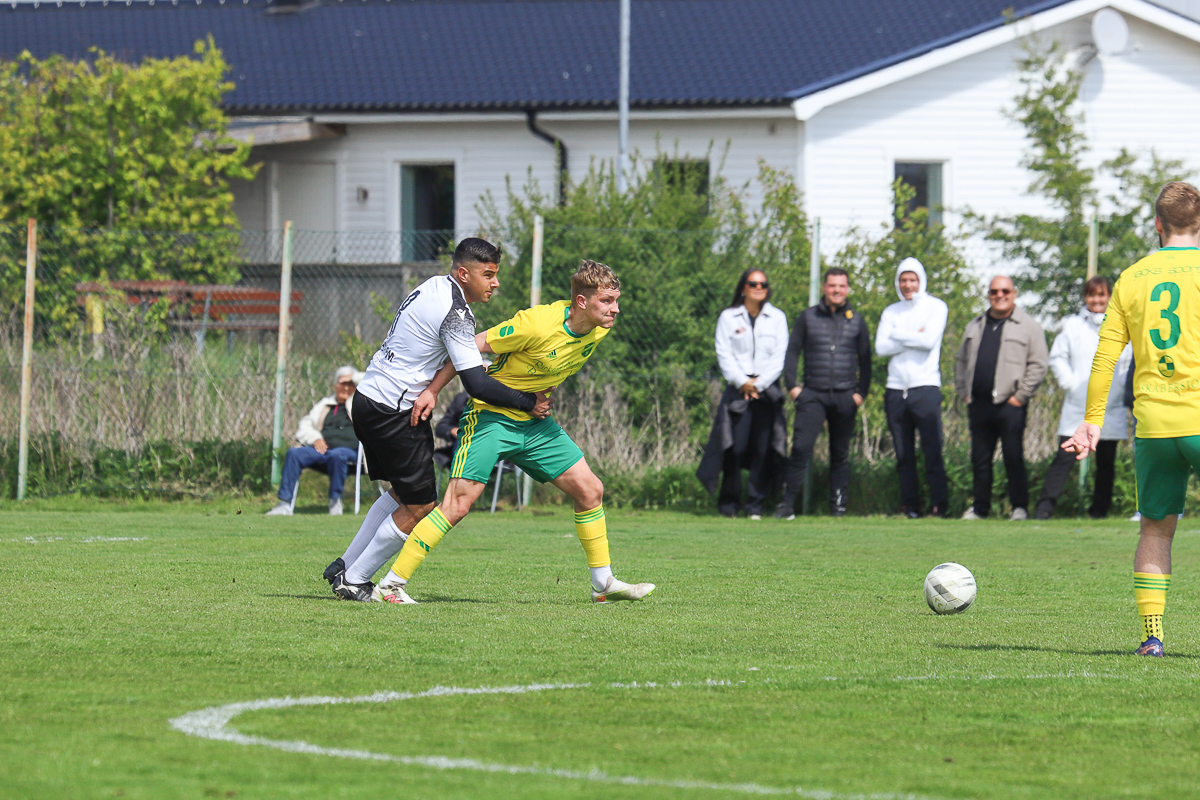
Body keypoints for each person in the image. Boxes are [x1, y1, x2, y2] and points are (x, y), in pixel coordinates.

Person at [371, 259, 655, 604]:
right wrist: (432, 390)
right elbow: (468, 345)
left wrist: (538, 394)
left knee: (590, 489)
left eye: (616, 300)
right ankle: (390, 586)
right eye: (607, 301)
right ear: (582, 301)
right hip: (491, 418)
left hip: (534, 424)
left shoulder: (599, 327)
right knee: (457, 505)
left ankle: (603, 584)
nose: (616, 309)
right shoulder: (536, 324)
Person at [322, 237, 551, 602]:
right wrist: (528, 402)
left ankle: (345, 565)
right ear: (464, 274)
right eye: (488, 274)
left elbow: (446, 353)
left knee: (402, 494)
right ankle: (355, 579)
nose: (495, 283)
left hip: (369, 399)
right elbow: (477, 384)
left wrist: (431, 389)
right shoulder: (456, 313)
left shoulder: (433, 286)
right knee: (421, 505)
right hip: (394, 412)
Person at [1063, 181, 1200, 657]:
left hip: (1154, 426)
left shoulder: (1132, 278)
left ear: (1157, 224)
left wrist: (1092, 421)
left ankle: (1152, 637)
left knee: (1156, 529)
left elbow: (1105, 358)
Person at [775, 267, 871, 518]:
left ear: (847, 289)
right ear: (824, 287)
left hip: (845, 396)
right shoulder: (807, 317)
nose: (836, 290)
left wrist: (860, 394)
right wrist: (793, 387)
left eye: (841, 286)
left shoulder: (857, 320)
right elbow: (792, 351)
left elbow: (866, 360)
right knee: (800, 449)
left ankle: (838, 508)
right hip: (812, 395)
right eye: (832, 285)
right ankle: (787, 505)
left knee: (840, 455)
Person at [1034, 277, 1131, 520]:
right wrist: (1071, 384)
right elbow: (1058, 357)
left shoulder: (1122, 324)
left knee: (1106, 461)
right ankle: (1044, 509)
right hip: (1078, 406)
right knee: (1064, 457)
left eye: (1101, 295)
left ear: (1110, 297)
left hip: (1111, 405)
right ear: (1085, 297)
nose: (1097, 300)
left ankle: (1099, 511)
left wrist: (1120, 388)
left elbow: (1128, 361)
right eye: (1092, 295)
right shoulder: (1072, 325)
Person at [696, 268, 789, 519]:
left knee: (763, 449)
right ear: (743, 287)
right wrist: (743, 382)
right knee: (734, 448)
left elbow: (779, 357)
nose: (759, 288)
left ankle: (755, 505)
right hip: (738, 391)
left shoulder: (777, 317)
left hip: (767, 391)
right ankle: (729, 505)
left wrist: (759, 384)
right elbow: (723, 352)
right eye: (753, 283)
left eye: (763, 284)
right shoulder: (729, 317)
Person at [955, 275, 1048, 520]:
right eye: (994, 291)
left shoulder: (1029, 326)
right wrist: (964, 392)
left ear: (1014, 293)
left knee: (1013, 457)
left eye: (1005, 291)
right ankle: (980, 508)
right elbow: (961, 360)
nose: (1000, 295)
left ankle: (1019, 508)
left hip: (1010, 405)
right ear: (988, 295)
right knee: (980, 459)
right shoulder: (975, 325)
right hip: (978, 403)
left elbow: (1038, 364)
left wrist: (1020, 396)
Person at [874, 257, 950, 519]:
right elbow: (880, 347)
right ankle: (910, 507)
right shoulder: (891, 312)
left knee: (932, 451)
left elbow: (929, 341)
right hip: (896, 390)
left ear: (921, 280)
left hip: (925, 388)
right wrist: (914, 335)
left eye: (912, 280)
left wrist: (896, 334)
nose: (908, 285)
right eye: (903, 280)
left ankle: (939, 506)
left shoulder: (936, 307)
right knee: (903, 454)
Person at [264, 366, 363, 516]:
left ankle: (335, 501)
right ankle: (284, 504)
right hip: (324, 450)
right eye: (342, 383)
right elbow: (305, 425)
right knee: (294, 453)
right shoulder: (325, 404)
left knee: (338, 454)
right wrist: (315, 438)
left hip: (351, 453)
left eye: (350, 384)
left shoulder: (360, 402)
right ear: (335, 386)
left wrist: (354, 378)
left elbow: (370, 381)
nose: (346, 388)